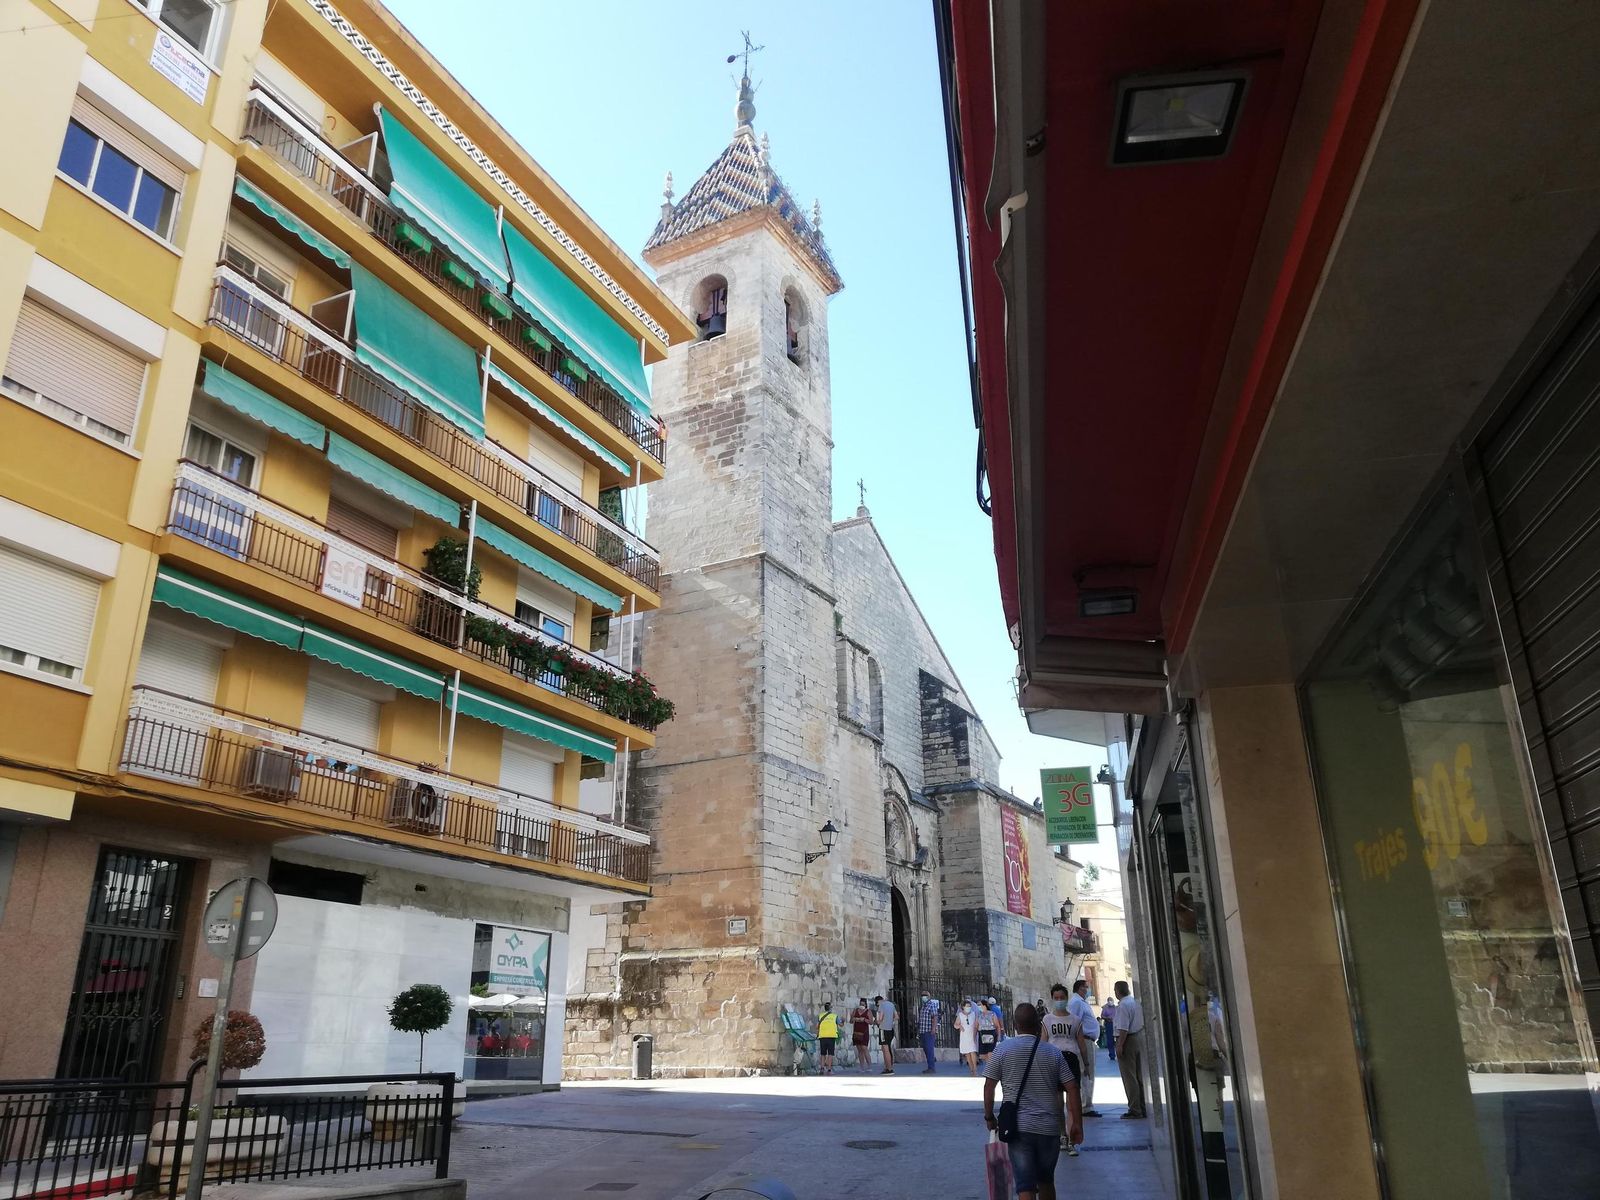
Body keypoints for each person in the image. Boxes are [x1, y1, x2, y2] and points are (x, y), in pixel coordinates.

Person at [983, 1004, 1082, 1200]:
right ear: (1038, 1025)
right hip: (1049, 1128)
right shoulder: (1053, 1053)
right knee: (1046, 1180)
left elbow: (989, 1086)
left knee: (1025, 1185)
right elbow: (1072, 1087)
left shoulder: (1002, 1050)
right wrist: (1077, 1123)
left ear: (1014, 1025)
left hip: (1019, 1129)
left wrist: (989, 1117)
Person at [1043, 986, 1084, 1157]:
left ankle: (1073, 1140)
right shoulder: (1047, 1019)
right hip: (1053, 1059)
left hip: (1071, 1059)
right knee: (1058, 1103)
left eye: (1062, 997)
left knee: (1072, 1104)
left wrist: (1086, 1064)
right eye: (1056, 997)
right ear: (1052, 998)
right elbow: (1043, 1042)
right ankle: (1062, 1135)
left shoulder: (1075, 1020)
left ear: (1067, 998)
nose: (1059, 1000)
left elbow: (1081, 1043)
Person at [1068, 980, 1101, 1117]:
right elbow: (1074, 1022)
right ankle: (1085, 1106)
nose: (1087, 990)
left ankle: (1086, 1104)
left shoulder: (1081, 1002)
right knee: (1086, 1072)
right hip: (1084, 1040)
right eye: (1085, 987)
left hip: (1088, 1040)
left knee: (1087, 1072)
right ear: (1079, 989)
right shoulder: (1076, 1002)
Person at [1113, 980, 1146, 1118]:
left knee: (1129, 1077)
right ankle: (1142, 1107)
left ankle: (1134, 1109)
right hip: (1138, 1037)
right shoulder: (1134, 1002)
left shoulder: (1123, 1006)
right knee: (1139, 1076)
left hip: (1128, 1040)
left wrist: (1120, 1045)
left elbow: (1123, 1028)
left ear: (1118, 991)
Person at [916, 991, 940, 1073]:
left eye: (925, 995)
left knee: (929, 1049)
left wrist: (933, 1028)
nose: (923, 997)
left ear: (929, 996)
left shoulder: (931, 1005)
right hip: (923, 1030)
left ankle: (931, 1067)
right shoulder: (923, 1006)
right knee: (926, 1049)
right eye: (922, 995)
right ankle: (931, 1062)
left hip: (929, 1031)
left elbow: (935, 1017)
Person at [956, 998, 980, 1075]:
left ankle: (975, 1070)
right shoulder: (960, 1015)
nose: (968, 1007)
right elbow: (955, 1025)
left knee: (973, 1052)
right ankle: (971, 1069)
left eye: (969, 1006)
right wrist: (959, 1026)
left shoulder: (973, 1014)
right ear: (963, 1007)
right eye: (967, 1006)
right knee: (967, 1053)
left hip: (972, 1035)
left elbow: (976, 1024)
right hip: (964, 1036)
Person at [875, 994, 897, 1074]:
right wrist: (890, 1021)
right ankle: (888, 1066)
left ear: (878, 1002)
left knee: (885, 1049)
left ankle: (889, 1069)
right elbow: (896, 1016)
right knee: (888, 1048)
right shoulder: (891, 1004)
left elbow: (880, 1018)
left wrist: (878, 1021)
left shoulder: (881, 1005)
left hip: (883, 1029)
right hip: (890, 1029)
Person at [975, 998, 1001, 1065]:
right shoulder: (979, 1015)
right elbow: (976, 1026)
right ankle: (989, 1066)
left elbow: (997, 1026)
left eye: (980, 1005)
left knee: (990, 1053)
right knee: (983, 1055)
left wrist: (999, 1036)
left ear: (984, 1005)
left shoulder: (992, 1014)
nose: (979, 1006)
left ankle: (991, 1069)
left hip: (991, 1033)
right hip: (982, 1034)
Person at [817, 1001, 840, 1075]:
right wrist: (843, 1020)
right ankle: (829, 1070)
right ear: (830, 1008)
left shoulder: (820, 1016)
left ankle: (822, 1068)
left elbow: (817, 1026)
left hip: (822, 1036)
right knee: (830, 1054)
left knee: (823, 1054)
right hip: (831, 1036)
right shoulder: (834, 1016)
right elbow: (841, 1024)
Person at [850, 997, 873, 1070]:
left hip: (864, 1032)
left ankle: (869, 1066)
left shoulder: (868, 1011)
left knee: (864, 1048)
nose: (861, 1005)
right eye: (860, 1004)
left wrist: (864, 1019)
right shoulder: (855, 1010)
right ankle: (862, 1066)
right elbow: (851, 1020)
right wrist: (854, 1019)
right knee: (859, 1049)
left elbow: (871, 1022)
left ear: (866, 1004)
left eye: (863, 1004)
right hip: (856, 1032)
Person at [1101, 996, 1117, 1060]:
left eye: (1111, 1000)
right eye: (1109, 1000)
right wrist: (1107, 1018)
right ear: (1107, 1001)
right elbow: (1102, 1016)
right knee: (1110, 1040)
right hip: (1109, 1024)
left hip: (1116, 1024)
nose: (1110, 1001)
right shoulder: (1105, 1008)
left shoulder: (1115, 1007)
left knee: (1118, 1038)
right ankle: (1112, 1055)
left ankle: (1119, 1053)